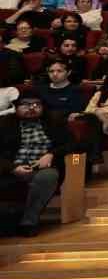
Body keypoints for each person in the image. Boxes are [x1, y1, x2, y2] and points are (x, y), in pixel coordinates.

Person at [0, 92, 74, 236]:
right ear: (16, 107)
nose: (31, 108)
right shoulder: (4, 123)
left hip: (42, 169)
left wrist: (51, 154)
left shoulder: (54, 122)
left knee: (47, 177)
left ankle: (28, 221)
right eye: (25, 104)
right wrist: (12, 168)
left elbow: (75, 145)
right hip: (11, 168)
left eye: (36, 104)